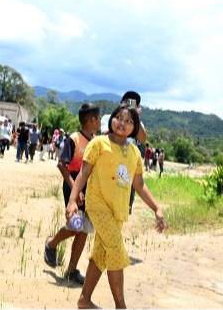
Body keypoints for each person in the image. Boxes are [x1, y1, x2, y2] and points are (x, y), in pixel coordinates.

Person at [66, 104, 166, 309]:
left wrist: (156, 208)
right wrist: (72, 200)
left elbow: (139, 185)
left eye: (129, 121)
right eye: (119, 117)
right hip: (98, 206)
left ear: (135, 128)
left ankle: (84, 300)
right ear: (111, 120)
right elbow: (83, 174)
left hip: (118, 212)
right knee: (117, 254)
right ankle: (121, 306)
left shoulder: (135, 153)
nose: (123, 123)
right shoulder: (99, 144)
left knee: (102, 255)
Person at [43, 103, 102, 286]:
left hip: (89, 190)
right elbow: (62, 164)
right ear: (92, 120)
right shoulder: (74, 139)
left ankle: (71, 270)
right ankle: (51, 243)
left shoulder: (95, 140)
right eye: (99, 118)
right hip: (73, 187)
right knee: (75, 225)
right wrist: (74, 193)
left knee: (84, 230)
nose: (100, 121)